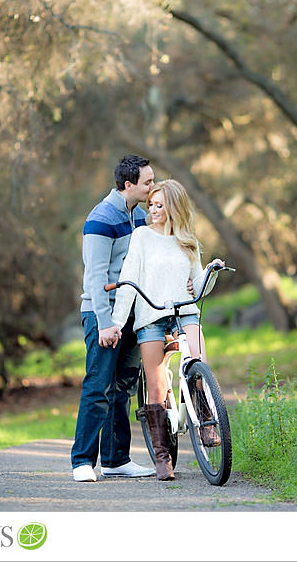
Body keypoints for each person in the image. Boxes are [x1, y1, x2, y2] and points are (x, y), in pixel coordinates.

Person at [109, 179, 223, 480]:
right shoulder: (142, 236)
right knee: (157, 386)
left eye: (160, 205)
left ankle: (206, 423)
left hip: (185, 310)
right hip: (152, 315)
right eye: (152, 204)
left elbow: (199, 286)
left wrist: (210, 271)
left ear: (174, 207)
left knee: (199, 363)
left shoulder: (187, 241)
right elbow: (128, 280)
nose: (154, 210)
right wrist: (118, 323)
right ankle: (162, 456)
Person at [70, 155, 156, 482]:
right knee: (99, 386)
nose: (152, 187)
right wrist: (106, 323)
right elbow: (95, 276)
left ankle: (116, 459)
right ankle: (81, 461)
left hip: (132, 312)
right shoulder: (100, 219)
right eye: (147, 182)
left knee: (123, 387)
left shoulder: (141, 217)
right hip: (101, 313)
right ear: (128, 184)